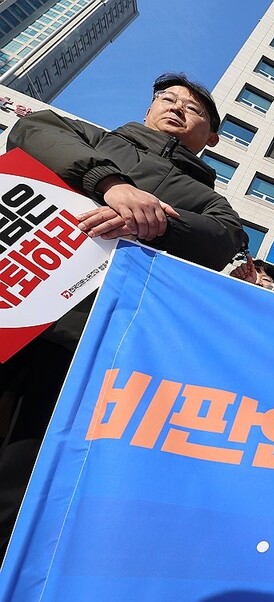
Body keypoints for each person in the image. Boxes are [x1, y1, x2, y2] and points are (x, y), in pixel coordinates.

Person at [0, 72, 244, 556]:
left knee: (23, 468)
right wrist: (108, 183)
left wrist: (150, 216)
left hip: (83, 336)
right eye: (167, 99)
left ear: (211, 138)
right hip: (15, 293)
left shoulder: (211, 200)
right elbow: (31, 131)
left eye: (192, 109)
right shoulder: (94, 137)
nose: (176, 108)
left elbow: (222, 238)